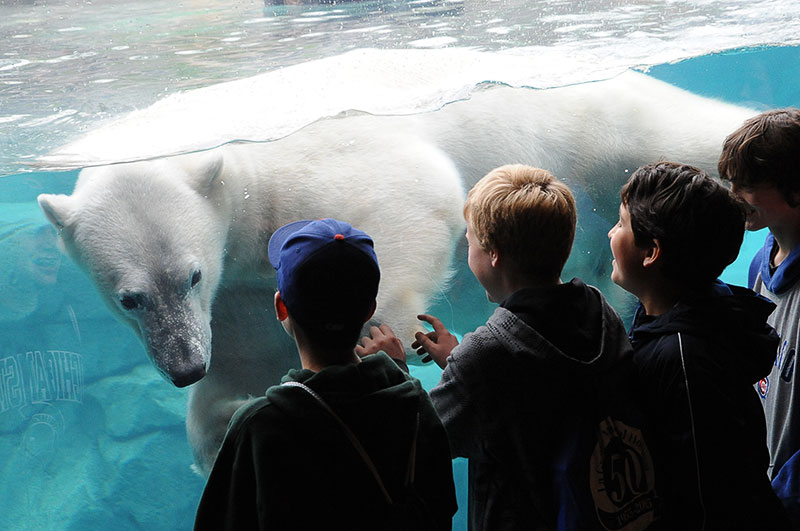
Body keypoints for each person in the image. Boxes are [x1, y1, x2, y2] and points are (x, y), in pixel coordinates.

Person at [365, 164, 660, 530]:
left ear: (493, 255)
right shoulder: (601, 313)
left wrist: (395, 370)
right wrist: (458, 360)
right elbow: (537, 389)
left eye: (470, 240)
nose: (467, 249)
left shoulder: (486, 359)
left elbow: (419, 444)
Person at [194, 218, 457, 530]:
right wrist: (396, 372)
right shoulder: (413, 407)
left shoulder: (260, 426)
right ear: (371, 308)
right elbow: (440, 505)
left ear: (281, 308)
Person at [607, 161, 790, 529]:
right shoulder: (689, 321)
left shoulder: (685, 357)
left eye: (622, 223)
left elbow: (709, 496)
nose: (612, 233)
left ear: (651, 252)